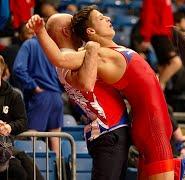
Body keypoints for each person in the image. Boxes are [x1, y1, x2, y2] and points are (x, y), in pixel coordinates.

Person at [27, 6, 174, 180]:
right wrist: (40, 31)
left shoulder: (100, 52)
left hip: (145, 124)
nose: (107, 19)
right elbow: (64, 63)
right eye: (101, 18)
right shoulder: (92, 54)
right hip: (144, 127)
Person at [37, 13, 130, 180]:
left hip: (110, 132)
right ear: (67, 31)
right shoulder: (70, 58)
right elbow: (87, 84)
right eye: (75, 25)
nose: (80, 29)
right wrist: (93, 47)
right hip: (108, 132)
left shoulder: (75, 55)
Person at [12, 31, 64, 157]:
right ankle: (59, 172)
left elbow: (18, 68)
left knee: (33, 134)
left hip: (41, 96)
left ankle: (35, 171)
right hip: (57, 97)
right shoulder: (55, 47)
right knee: (55, 137)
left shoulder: (30, 44)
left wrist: (33, 86)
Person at [0, 55, 43, 180]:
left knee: (20, 168)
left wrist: (9, 127)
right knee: (19, 165)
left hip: (5, 145)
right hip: (6, 148)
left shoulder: (13, 95)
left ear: (2, 70)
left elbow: (23, 122)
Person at [140, 0, 183, 90]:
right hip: (158, 34)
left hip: (165, 35)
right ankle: (157, 88)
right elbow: (148, 14)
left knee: (164, 68)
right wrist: (146, 37)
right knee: (176, 62)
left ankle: (158, 94)